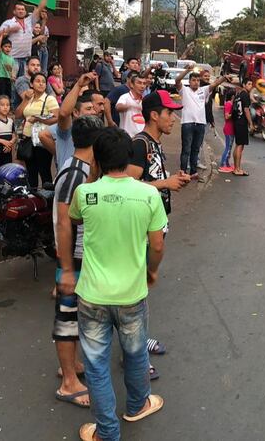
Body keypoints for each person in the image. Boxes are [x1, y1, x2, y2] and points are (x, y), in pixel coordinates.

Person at [59, 128, 167, 441]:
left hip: (92, 295)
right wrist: (152, 271)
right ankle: (137, 405)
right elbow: (157, 244)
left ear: (97, 158)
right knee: (135, 354)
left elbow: (74, 220)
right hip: (132, 294)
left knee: (96, 365)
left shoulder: (85, 193)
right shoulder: (148, 194)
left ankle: (107, 432)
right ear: (128, 157)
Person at [127, 90, 192, 375]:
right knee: (136, 292)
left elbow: (152, 179)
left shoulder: (154, 143)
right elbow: (127, 184)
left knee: (141, 291)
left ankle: (139, 341)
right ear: (154, 115)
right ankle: (134, 355)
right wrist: (166, 184)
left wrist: (173, 181)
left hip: (155, 223)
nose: (173, 119)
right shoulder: (139, 144)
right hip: (141, 228)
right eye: (169, 113)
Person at [51, 115, 105, 411]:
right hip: (72, 257)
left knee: (74, 318)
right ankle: (68, 382)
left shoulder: (83, 169)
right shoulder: (76, 173)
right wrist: (67, 270)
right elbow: (63, 222)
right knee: (67, 319)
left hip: (77, 256)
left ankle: (70, 366)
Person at [40, 73, 102, 170]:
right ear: (76, 112)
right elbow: (63, 113)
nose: (93, 112)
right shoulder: (68, 129)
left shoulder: (96, 129)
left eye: (93, 108)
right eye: (88, 109)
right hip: (70, 176)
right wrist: (78, 85)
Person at [173, 65, 227, 178]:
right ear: (189, 81)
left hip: (200, 124)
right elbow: (177, 80)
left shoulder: (203, 90)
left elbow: (215, 84)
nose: (196, 82)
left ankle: (193, 172)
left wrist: (224, 78)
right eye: (193, 80)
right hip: (187, 123)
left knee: (196, 149)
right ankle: (183, 172)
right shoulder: (184, 90)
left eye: (198, 80)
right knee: (186, 149)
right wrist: (187, 70)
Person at [0, 0, 52, 79]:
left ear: (25, 12)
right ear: (14, 11)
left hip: (26, 59)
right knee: (12, 84)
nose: (21, 11)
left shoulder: (30, 21)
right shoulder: (8, 23)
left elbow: (39, 9)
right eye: (18, 9)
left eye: (22, 9)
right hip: (13, 59)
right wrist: (10, 30)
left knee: (24, 83)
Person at [16, 72, 59, 188]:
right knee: (31, 171)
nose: (41, 84)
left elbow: (57, 118)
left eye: (43, 82)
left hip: (42, 140)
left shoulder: (49, 99)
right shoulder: (29, 99)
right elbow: (18, 114)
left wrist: (38, 119)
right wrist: (25, 99)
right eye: (38, 81)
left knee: (44, 170)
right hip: (28, 139)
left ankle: (48, 195)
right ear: (31, 84)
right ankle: (33, 195)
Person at [232, 79, 255, 177]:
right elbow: (246, 110)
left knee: (238, 145)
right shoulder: (245, 95)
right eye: (249, 84)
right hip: (241, 122)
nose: (250, 86)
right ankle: (237, 169)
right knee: (240, 146)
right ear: (244, 85)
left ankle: (236, 168)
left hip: (237, 121)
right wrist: (250, 123)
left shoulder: (239, 95)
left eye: (251, 84)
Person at [115, 71, 149, 138]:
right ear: (132, 85)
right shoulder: (125, 97)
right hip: (127, 138)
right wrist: (130, 105)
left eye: (144, 84)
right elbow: (118, 107)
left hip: (141, 137)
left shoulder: (145, 100)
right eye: (139, 83)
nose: (142, 86)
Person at [219, 90, 235, 173]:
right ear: (232, 96)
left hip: (231, 129)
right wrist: (234, 113)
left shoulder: (231, 104)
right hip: (228, 128)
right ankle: (222, 164)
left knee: (230, 148)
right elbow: (227, 116)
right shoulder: (228, 104)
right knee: (228, 148)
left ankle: (227, 163)